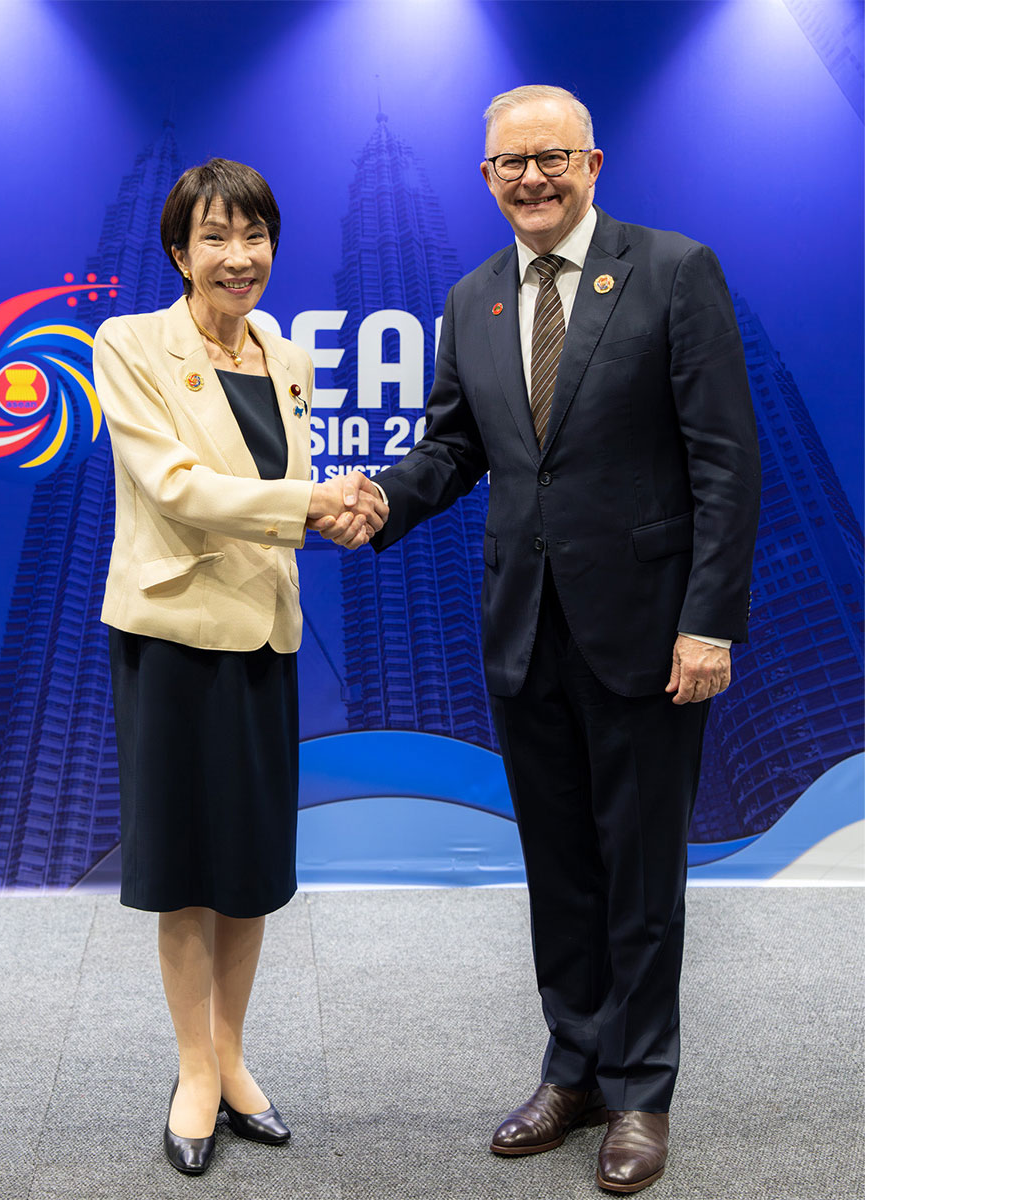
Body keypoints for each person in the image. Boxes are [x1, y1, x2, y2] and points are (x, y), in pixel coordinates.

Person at [319, 85, 760, 1193]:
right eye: (510, 163)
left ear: (591, 163)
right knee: (560, 869)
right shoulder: (469, 298)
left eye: (551, 157)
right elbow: (453, 449)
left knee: (640, 874)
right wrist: (382, 499)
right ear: (485, 179)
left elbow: (724, 461)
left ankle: (641, 1091)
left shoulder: (673, 271)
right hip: (523, 630)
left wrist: (708, 622)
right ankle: (574, 1069)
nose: (531, 178)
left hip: (650, 633)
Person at [92, 158, 385, 1176]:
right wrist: (310, 504)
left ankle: (231, 1056)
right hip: (174, 634)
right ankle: (192, 1069)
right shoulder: (130, 344)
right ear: (180, 252)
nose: (238, 256)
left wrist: (338, 510)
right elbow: (175, 486)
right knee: (184, 867)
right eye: (214, 236)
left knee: (251, 869)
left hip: (264, 632)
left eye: (254, 235)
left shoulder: (287, 355)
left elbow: (283, 497)